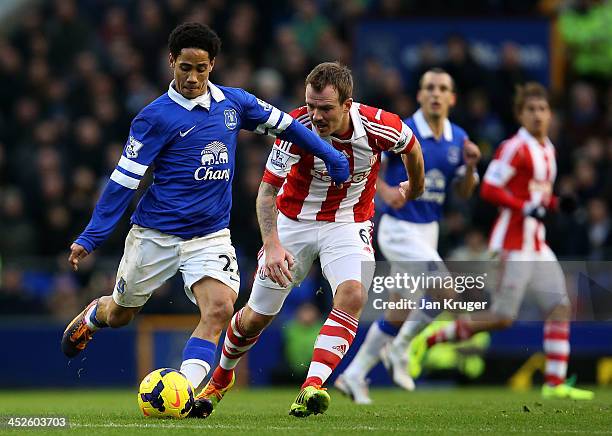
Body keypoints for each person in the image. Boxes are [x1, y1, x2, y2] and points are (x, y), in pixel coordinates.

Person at [60, 23, 349, 408]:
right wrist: (91, 237)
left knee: (220, 309)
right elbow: (122, 183)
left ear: (212, 64)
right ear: (171, 63)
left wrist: (330, 154)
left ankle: (183, 391)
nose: (192, 77)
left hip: (210, 237)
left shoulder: (235, 104)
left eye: (200, 68)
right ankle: (96, 313)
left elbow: (291, 126)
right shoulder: (153, 118)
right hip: (154, 235)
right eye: (184, 68)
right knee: (121, 315)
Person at [191, 62, 425, 418]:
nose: (315, 115)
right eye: (311, 105)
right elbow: (267, 192)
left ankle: (312, 386)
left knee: (353, 294)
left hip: (348, 223)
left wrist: (415, 188)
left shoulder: (379, 125)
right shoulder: (296, 127)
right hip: (292, 223)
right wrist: (271, 244)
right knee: (255, 317)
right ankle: (221, 378)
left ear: (348, 104)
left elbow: (412, 148)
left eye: (326, 108)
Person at [408, 82, 594, 400]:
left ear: (550, 114)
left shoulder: (548, 149)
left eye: (542, 109)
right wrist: (528, 207)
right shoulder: (514, 147)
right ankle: (429, 339)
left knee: (560, 307)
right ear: (520, 114)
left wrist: (556, 204)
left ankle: (554, 383)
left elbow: (537, 196)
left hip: (536, 244)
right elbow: (490, 188)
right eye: (531, 109)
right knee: (502, 318)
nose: (537, 115)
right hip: (511, 244)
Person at [336, 67, 481, 403]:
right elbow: (369, 167)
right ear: (420, 94)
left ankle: (354, 375)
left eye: (442, 88)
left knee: (399, 309)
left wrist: (472, 167)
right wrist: (383, 194)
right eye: (429, 87)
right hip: (399, 229)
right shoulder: (403, 129)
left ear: (451, 97)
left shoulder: (458, 138)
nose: (435, 93)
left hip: (428, 230)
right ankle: (401, 348)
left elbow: (463, 192)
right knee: (446, 292)